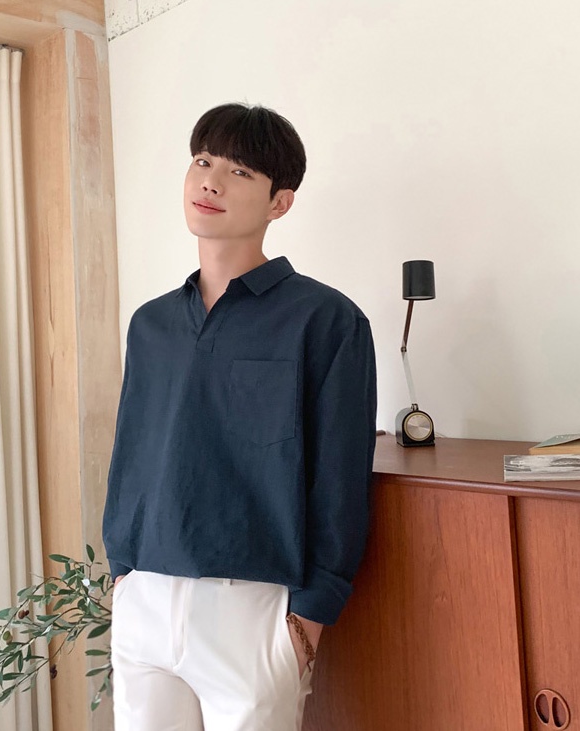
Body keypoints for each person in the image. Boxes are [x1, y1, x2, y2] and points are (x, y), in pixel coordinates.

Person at [102, 103, 377, 731]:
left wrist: (308, 618)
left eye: (239, 171)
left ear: (280, 202)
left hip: (254, 609)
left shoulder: (326, 320)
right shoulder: (151, 324)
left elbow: (340, 476)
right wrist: (122, 572)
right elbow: (132, 454)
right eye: (202, 162)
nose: (211, 182)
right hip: (145, 599)